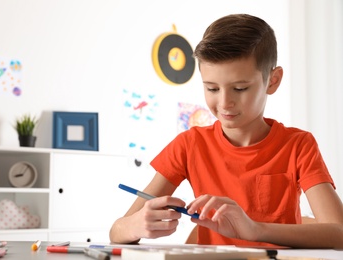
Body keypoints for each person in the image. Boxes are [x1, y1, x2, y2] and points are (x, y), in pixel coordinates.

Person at [109, 13, 343, 248]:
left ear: (273, 81)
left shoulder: (298, 145)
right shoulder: (189, 145)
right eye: (212, 88)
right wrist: (136, 225)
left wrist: (254, 230)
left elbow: (339, 233)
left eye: (240, 88)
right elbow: (116, 233)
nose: (224, 103)